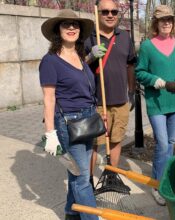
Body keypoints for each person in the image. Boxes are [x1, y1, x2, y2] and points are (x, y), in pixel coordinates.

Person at [39, 9, 98, 220]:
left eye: (75, 24)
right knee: (82, 178)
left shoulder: (79, 57)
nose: (72, 28)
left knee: (76, 173)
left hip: (88, 120)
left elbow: (85, 90)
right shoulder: (50, 61)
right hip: (68, 124)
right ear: (58, 30)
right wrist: (50, 134)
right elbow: (49, 99)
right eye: (66, 24)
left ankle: (71, 213)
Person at [135, 5, 175, 206]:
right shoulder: (147, 46)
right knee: (163, 144)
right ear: (155, 23)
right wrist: (155, 80)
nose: (166, 22)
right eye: (162, 19)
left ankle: (164, 179)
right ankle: (157, 185)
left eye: (169, 19)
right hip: (156, 101)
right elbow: (139, 72)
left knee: (171, 142)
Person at [84, 0, 136, 188]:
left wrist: (132, 91)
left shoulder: (124, 37)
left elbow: (130, 65)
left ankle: (111, 178)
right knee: (94, 144)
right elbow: (75, 66)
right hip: (96, 102)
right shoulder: (88, 37)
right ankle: (88, 182)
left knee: (116, 140)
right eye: (105, 11)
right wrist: (89, 57)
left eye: (114, 11)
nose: (110, 15)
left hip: (120, 101)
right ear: (98, 13)